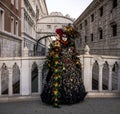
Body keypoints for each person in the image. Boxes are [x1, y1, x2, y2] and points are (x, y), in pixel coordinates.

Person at [41, 24, 87, 108]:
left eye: (66, 37)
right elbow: (53, 55)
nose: (65, 38)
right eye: (63, 36)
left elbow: (74, 55)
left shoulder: (71, 45)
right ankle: (57, 98)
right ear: (61, 36)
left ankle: (71, 97)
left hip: (71, 67)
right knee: (58, 81)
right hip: (60, 66)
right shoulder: (57, 44)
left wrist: (76, 62)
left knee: (71, 82)